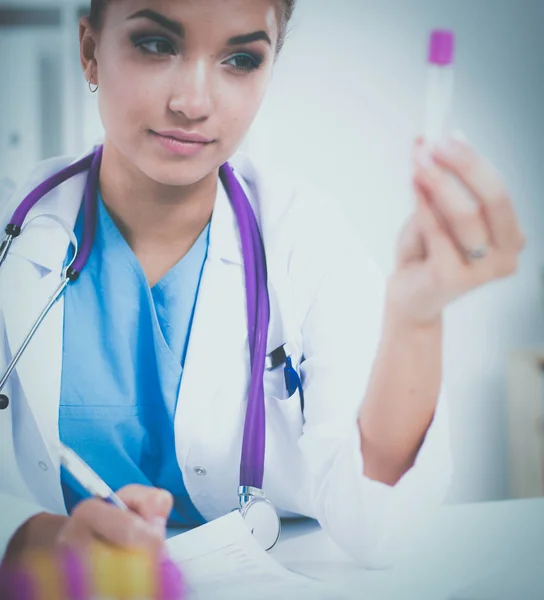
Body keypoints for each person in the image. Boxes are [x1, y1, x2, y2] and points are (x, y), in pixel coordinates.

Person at [0, 0, 525, 570]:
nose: (193, 103)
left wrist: (416, 318)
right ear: (90, 51)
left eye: (241, 58)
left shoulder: (308, 241)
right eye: (156, 44)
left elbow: (385, 526)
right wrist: (30, 538)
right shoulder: (18, 234)